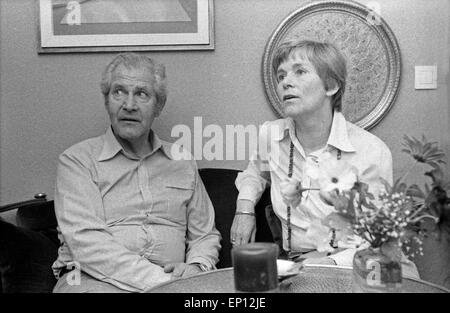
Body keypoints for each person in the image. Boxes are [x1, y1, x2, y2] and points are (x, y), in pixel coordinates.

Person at [230, 39, 417, 273]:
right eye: (281, 76)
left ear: (330, 86)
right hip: (300, 263)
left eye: (300, 72)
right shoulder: (271, 135)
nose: (286, 82)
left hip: (364, 263)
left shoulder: (372, 152)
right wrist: (244, 209)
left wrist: (327, 264)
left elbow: (379, 240)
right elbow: (255, 173)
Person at [52, 53, 221, 293]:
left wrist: (196, 267)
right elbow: (88, 245)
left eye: (142, 94)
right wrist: (169, 285)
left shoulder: (182, 161)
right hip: (92, 280)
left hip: (174, 282)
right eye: (118, 91)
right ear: (107, 101)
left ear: (159, 106)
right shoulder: (77, 160)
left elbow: (204, 234)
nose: (129, 105)